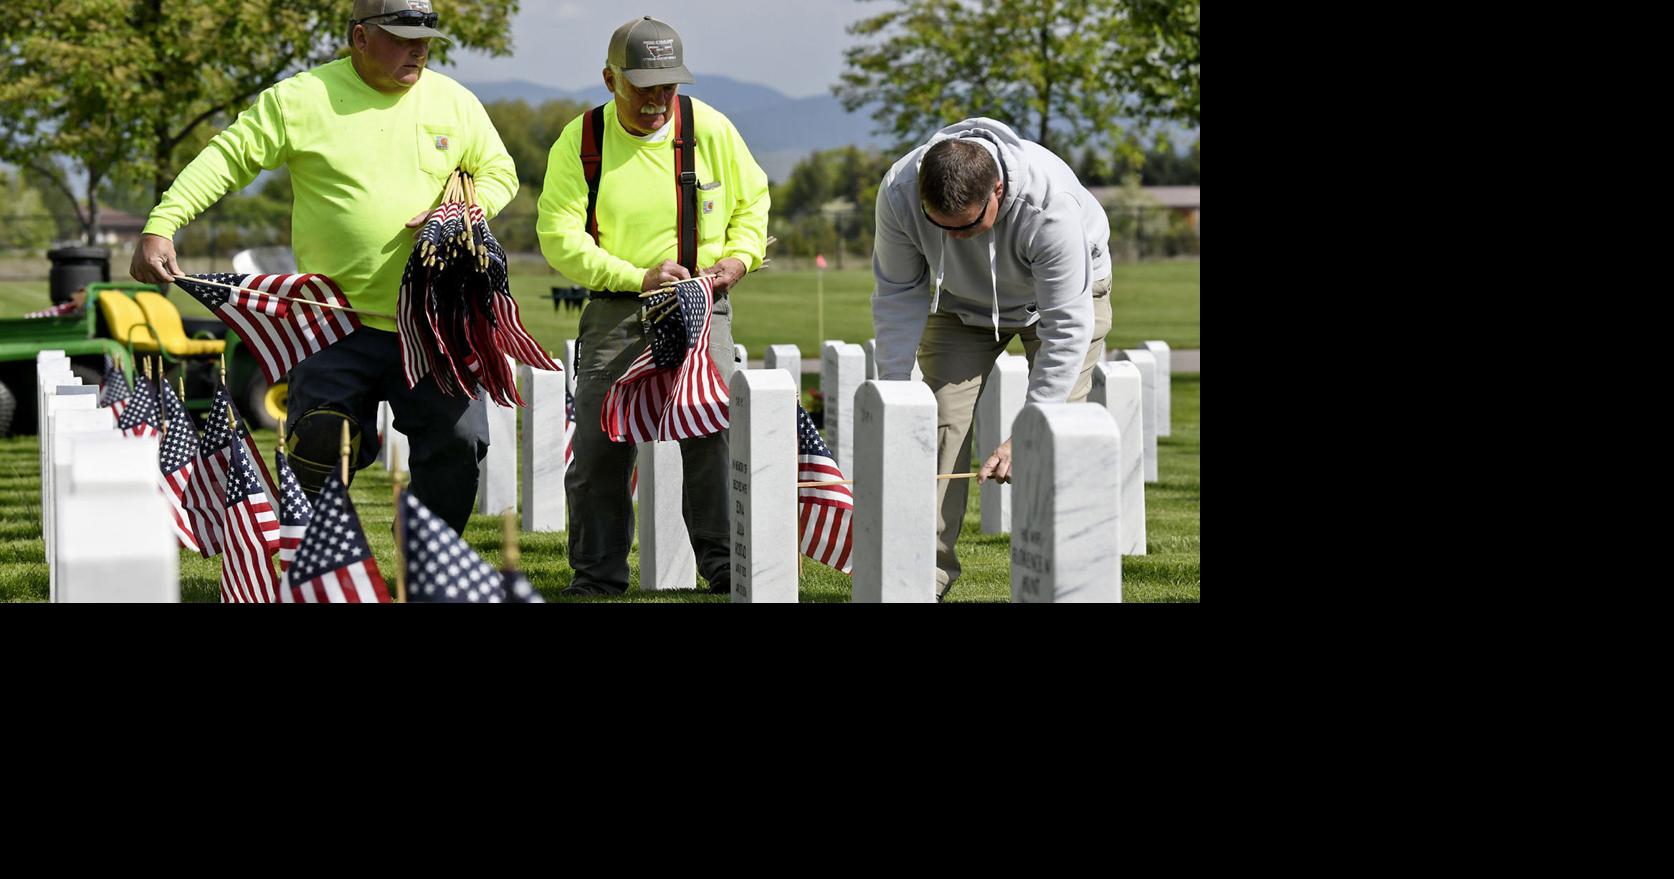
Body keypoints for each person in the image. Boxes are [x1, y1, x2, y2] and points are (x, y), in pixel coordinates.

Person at [129, 0, 518, 534]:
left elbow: (499, 172)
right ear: (360, 38)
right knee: (317, 441)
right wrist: (163, 222)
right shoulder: (301, 98)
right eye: (402, 36)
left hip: (435, 324)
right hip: (332, 318)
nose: (418, 49)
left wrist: (468, 210)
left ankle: (430, 569)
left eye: (425, 38)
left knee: (458, 443)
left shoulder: (455, 101)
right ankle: (315, 573)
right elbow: (227, 157)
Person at [536, 15, 770, 596]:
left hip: (702, 305)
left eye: (669, 86)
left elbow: (752, 205)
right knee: (597, 443)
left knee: (712, 435)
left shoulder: (709, 128)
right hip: (618, 307)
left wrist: (738, 261)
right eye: (643, 86)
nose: (657, 100)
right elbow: (559, 235)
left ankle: (724, 568)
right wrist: (636, 277)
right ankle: (597, 575)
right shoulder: (581, 140)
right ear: (610, 79)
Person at [871, 117, 1113, 601]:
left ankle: (1067, 582)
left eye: (967, 226)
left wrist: (1028, 429)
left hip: (1061, 305)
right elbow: (898, 293)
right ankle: (924, 581)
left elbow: (1066, 324)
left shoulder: (1050, 206)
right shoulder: (899, 192)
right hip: (959, 307)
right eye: (940, 226)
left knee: (1057, 437)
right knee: (936, 426)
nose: (953, 237)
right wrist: (896, 396)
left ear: (998, 190)